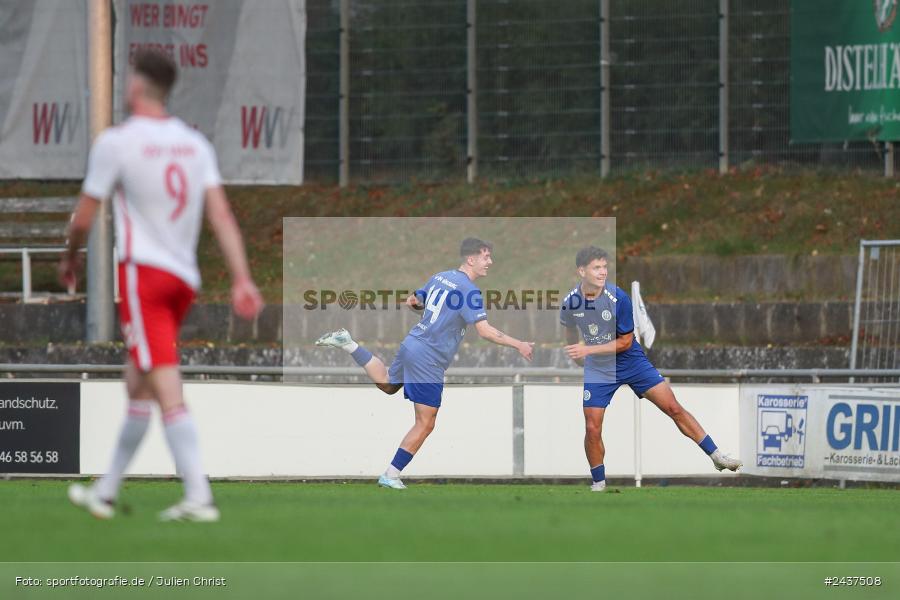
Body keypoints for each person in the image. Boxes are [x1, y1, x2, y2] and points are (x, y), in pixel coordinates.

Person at [60, 49, 263, 521]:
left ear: (134, 87)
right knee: (139, 384)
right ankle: (105, 492)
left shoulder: (117, 142)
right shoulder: (194, 144)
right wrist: (242, 278)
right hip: (182, 280)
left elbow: (85, 215)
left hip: (143, 276)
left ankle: (199, 496)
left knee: (165, 384)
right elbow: (221, 215)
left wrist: (69, 258)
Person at [316, 238, 534, 489]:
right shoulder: (469, 290)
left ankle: (348, 344)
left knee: (387, 383)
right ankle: (391, 474)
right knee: (426, 421)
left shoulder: (441, 277)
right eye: (486, 257)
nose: (490, 262)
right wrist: (519, 344)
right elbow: (484, 331)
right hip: (429, 356)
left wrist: (427, 309)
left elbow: (414, 301)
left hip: (413, 343)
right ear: (471, 259)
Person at [561, 246, 741, 492]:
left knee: (673, 407)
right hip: (599, 369)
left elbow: (625, 342)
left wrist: (588, 351)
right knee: (592, 426)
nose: (603, 272)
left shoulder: (617, 298)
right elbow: (570, 333)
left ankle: (717, 456)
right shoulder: (570, 302)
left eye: (605, 267)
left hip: (630, 360)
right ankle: (599, 484)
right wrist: (580, 356)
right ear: (581, 271)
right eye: (596, 268)